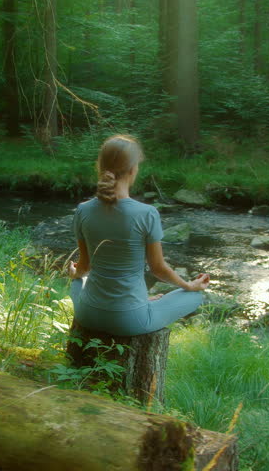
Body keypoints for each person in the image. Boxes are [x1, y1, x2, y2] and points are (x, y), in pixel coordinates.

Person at [67, 134, 210, 337]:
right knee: (194, 297)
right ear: (133, 169)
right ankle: (141, 305)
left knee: (77, 282)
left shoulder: (83, 210)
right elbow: (158, 269)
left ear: (99, 166)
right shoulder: (147, 213)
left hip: (88, 315)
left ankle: (140, 303)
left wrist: (75, 273)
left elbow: (84, 267)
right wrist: (189, 285)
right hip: (130, 320)